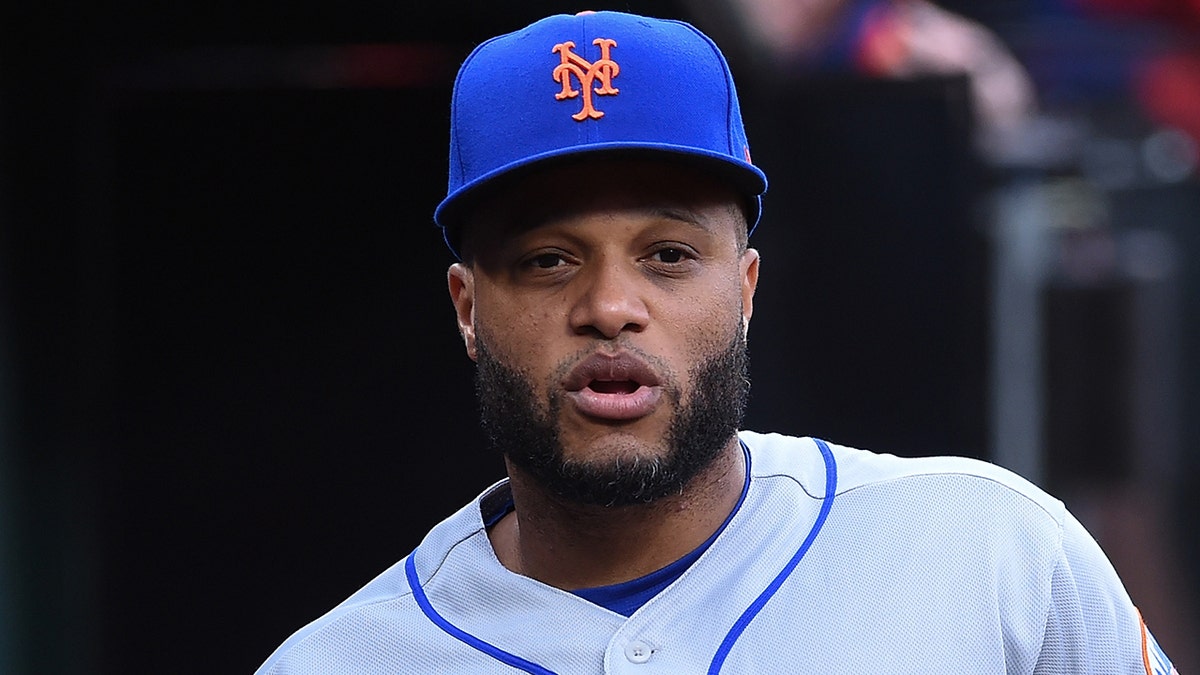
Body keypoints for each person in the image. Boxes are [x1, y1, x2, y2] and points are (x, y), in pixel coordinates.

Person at [255, 10, 1178, 674]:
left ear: (745, 290)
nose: (610, 306)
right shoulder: (338, 660)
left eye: (666, 254)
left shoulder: (988, 550)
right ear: (465, 307)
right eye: (547, 260)